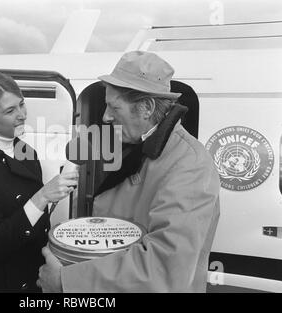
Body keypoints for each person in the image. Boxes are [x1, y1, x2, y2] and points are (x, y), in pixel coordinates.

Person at [37, 51, 220, 293]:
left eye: (114, 107)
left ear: (146, 107)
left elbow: (164, 268)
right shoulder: (134, 142)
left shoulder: (190, 165)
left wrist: (67, 281)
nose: (105, 116)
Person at [0, 69, 78, 292]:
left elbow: (30, 219)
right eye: (10, 110)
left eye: (21, 104)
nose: (22, 114)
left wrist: (54, 198)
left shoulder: (26, 152)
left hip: (31, 276)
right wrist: (43, 195)